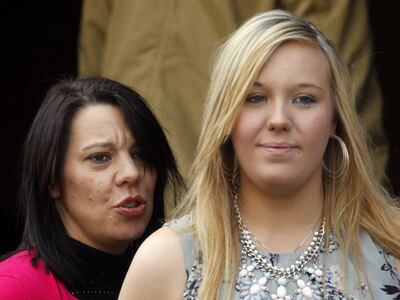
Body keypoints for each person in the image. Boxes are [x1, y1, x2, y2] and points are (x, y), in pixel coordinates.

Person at [118, 10, 400, 300]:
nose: (278, 119)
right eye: (255, 98)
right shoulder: (166, 260)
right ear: (225, 118)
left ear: (334, 120)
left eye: (304, 99)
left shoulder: (392, 251)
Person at [79, 0, 387, 180]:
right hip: (123, 161)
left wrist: (358, 206)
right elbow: (95, 37)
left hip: (230, 161)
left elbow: (338, 80)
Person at [0, 77, 184, 299]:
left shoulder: (181, 277)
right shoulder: (14, 288)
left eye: (140, 154)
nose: (131, 173)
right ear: (52, 181)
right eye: (100, 157)